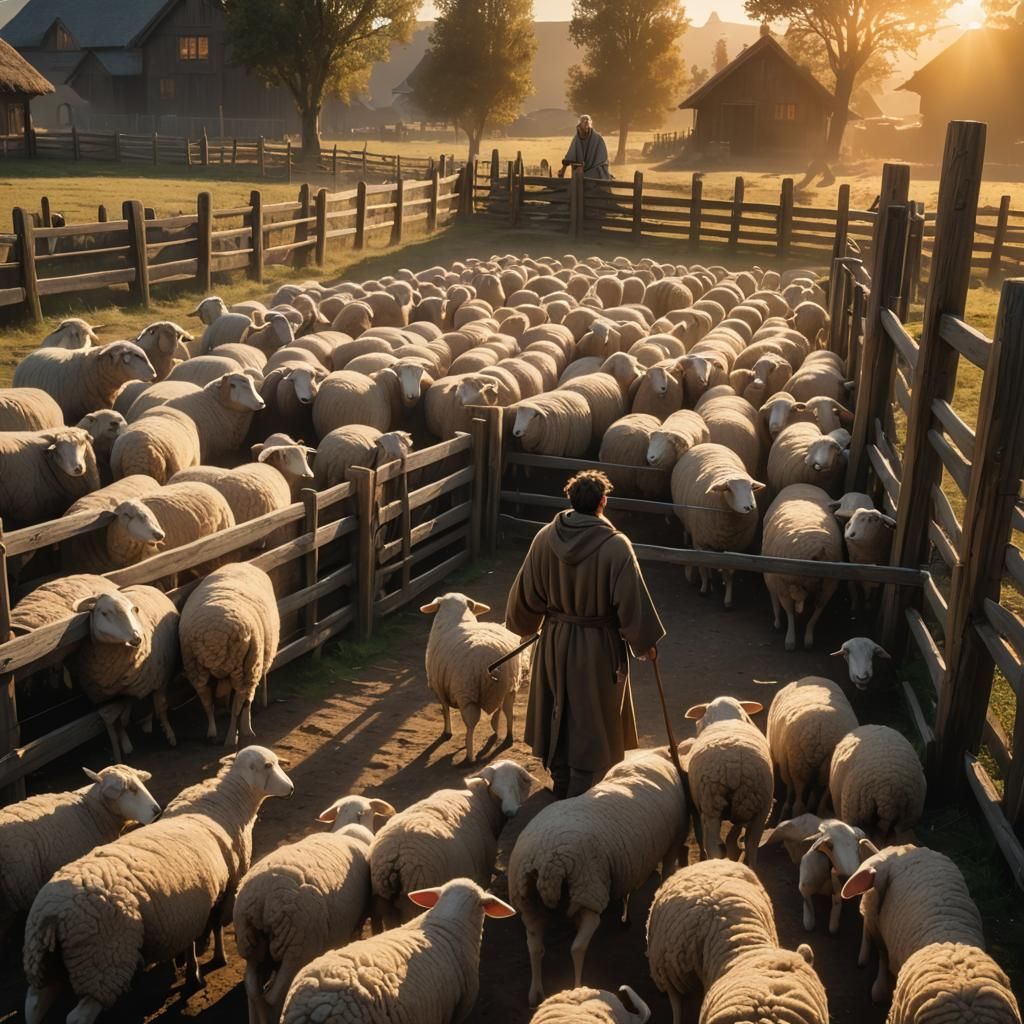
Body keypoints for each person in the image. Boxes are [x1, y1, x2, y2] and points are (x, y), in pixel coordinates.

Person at [505, 471, 664, 799]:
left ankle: (561, 781)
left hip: (554, 641)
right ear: (603, 502)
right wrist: (645, 644)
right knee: (592, 717)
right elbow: (630, 601)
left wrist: (525, 625)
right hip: (597, 647)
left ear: (570, 499)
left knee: (558, 707)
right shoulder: (616, 546)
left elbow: (525, 595)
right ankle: (581, 791)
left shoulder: (544, 537)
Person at [558, 114, 611, 180]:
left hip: (595, 171)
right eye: (583, 122)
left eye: (587, 123)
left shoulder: (597, 138)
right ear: (579, 126)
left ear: (589, 125)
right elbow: (570, 155)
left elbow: (602, 159)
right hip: (581, 171)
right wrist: (563, 170)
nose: (586, 125)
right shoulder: (577, 138)